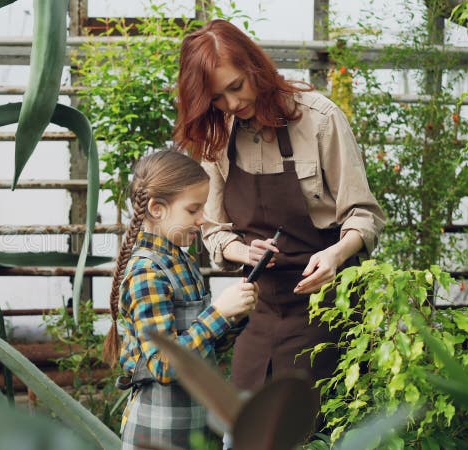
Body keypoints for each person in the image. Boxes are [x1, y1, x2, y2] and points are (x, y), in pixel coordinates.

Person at [172, 20, 385, 394]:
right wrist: (243, 250)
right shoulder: (218, 133)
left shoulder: (319, 119)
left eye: (236, 87)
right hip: (261, 312)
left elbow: (363, 214)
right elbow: (213, 228)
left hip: (327, 311)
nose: (233, 104)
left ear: (255, 67)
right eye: (218, 98)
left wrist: (336, 254)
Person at [102, 150, 258, 450]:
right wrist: (219, 314)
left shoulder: (182, 262)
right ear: (157, 209)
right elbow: (163, 365)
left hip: (196, 427)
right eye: (193, 210)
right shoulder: (147, 271)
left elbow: (205, 348)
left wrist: (235, 317)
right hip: (159, 433)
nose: (203, 219)